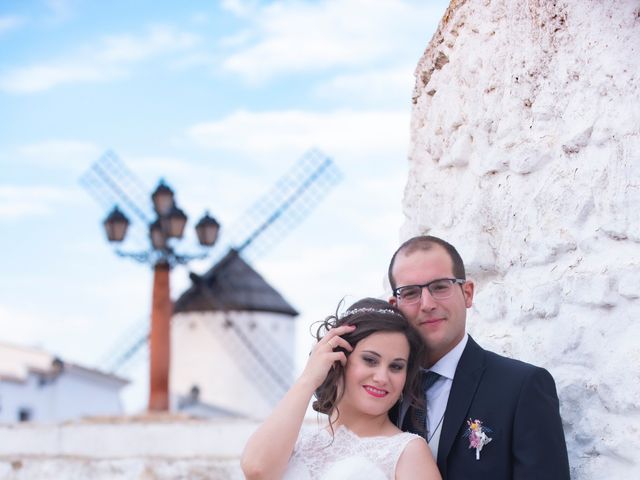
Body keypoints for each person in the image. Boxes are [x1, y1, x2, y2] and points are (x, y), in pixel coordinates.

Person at [387, 235, 571, 479]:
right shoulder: (385, 390)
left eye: (440, 286)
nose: (427, 304)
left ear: (467, 293)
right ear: (394, 305)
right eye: (410, 293)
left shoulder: (522, 387)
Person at [241, 297, 442, 480]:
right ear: (338, 360)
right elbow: (257, 470)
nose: (382, 378)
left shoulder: (408, 452)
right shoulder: (298, 441)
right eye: (370, 360)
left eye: (396, 367)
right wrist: (308, 379)